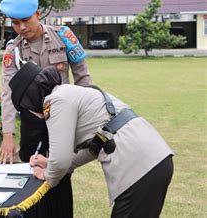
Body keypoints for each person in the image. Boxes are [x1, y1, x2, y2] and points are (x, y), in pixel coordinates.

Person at [10, 63, 174, 217]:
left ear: (31, 97)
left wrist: (48, 175)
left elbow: (60, 160)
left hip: (139, 168)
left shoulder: (54, 101)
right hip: (155, 161)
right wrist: (52, 163)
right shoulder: (70, 92)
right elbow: (94, 147)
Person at [0, 0, 91, 216]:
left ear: (38, 13)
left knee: (61, 173)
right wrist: (8, 136)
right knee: (30, 176)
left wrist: (85, 121)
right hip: (33, 124)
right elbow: (8, 94)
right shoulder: (13, 50)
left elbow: (83, 78)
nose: (21, 28)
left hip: (63, 121)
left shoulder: (64, 37)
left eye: (26, 20)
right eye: (15, 23)